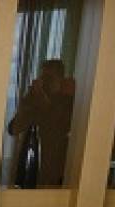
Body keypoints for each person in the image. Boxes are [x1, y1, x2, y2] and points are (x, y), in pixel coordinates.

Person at [7, 59, 75, 187]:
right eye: (43, 78)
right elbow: (13, 129)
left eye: (50, 78)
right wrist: (27, 102)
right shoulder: (34, 102)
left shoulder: (68, 102)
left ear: (61, 80)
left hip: (56, 172)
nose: (46, 82)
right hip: (32, 167)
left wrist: (44, 102)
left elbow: (61, 126)